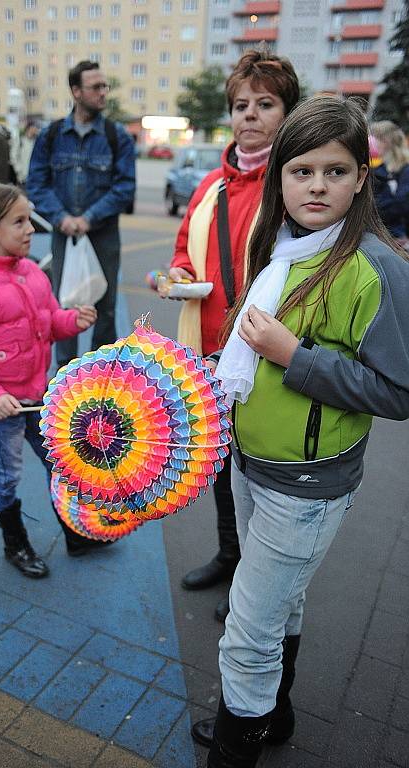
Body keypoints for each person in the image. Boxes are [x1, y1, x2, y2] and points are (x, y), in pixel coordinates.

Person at [191, 96, 409, 768]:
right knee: (279, 608)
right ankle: (273, 716)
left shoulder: (371, 268)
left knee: (245, 635)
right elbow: (248, 350)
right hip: (254, 466)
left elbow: (398, 391)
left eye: (335, 171)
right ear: (279, 177)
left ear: (360, 180)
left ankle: (238, 747)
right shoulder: (280, 248)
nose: (316, 185)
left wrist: (296, 359)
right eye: (302, 170)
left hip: (307, 487)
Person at [165, 50, 300, 623]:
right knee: (218, 463)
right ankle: (228, 554)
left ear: (288, 112)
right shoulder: (210, 184)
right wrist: (177, 275)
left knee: (255, 471)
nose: (250, 115)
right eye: (242, 105)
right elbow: (182, 249)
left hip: (264, 353)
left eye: (265, 104)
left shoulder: (295, 180)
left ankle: (252, 578)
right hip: (207, 347)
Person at [0, 183, 111, 579]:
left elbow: (47, 324)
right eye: (19, 222)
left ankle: (75, 532)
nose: (30, 228)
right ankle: (15, 543)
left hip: (38, 394)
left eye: (29, 219)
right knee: (6, 474)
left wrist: (71, 321)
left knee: (59, 463)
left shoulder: (32, 272)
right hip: (2, 405)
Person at [27, 59, 136, 368]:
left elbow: (125, 187)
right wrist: (62, 217)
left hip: (102, 236)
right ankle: (66, 379)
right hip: (65, 235)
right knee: (65, 307)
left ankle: (102, 379)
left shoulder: (117, 137)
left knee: (105, 309)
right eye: (96, 87)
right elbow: (36, 183)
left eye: (105, 86)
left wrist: (88, 218)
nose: (103, 92)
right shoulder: (50, 136)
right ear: (76, 91)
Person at [370, 120, 409, 244]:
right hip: (382, 233)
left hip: (398, 236)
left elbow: (402, 202)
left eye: (376, 139)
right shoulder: (380, 169)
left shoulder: (405, 169)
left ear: (386, 141)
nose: (373, 143)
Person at [15, 121, 40, 186]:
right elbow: (14, 157)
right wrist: (19, 171)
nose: (35, 130)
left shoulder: (37, 142)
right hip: (22, 177)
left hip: (35, 178)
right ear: (28, 128)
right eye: (34, 128)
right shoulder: (20, 141)